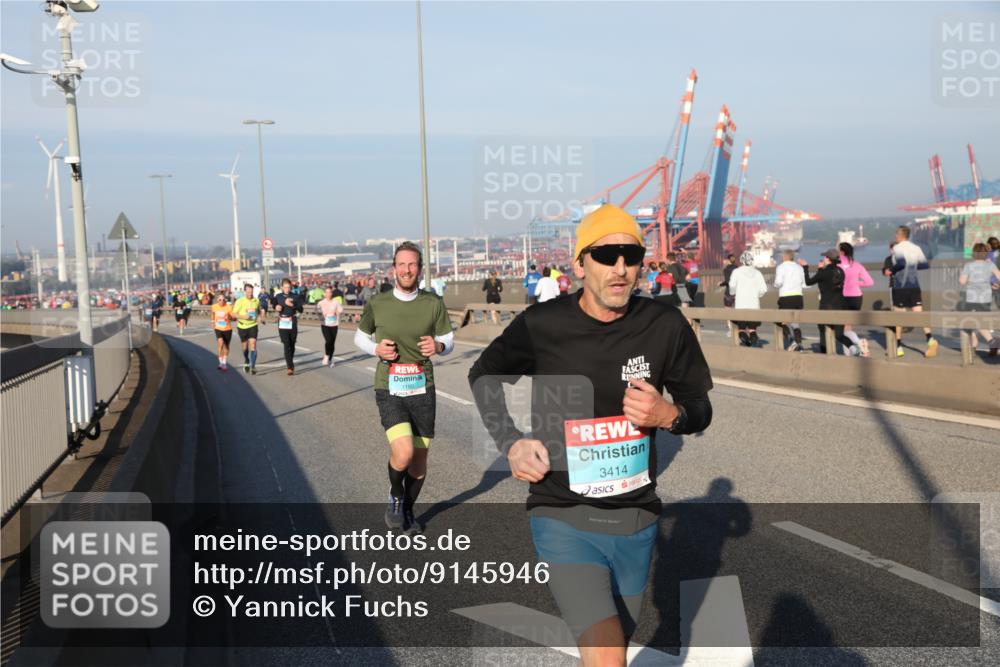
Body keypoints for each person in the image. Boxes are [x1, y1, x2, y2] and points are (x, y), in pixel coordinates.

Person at [468, 203, 713, 665]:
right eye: (605, 256)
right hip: (562, 512)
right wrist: (511, 442)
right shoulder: (543, 325)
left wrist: (670, 415)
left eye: (631, 256)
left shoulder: (664, 325)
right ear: (580, 264)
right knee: (607, 655)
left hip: (636, 514)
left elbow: (699, 408)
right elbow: (484, 375)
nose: (620, 269)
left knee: (615, 639)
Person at [354, 242, 454, 534]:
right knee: (404, 452)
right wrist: (376, 349)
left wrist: (438, 346)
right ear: (394, 268)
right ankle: (396, 496)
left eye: (412, 265)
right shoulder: (379, 303)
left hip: (423, 386)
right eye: (402, 264)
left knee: (419, 462)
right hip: (390, 386)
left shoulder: (433, 303)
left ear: (420, 269)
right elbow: (360, 337)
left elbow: (448, 340)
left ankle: (408, 510)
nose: (407, 270)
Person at [889, 225, 937, 358]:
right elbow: (925, 265)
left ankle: (899, 346)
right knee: (919, 315)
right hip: (914, 285)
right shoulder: (916, 248)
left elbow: (901, 263)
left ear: (900, 235)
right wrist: (912, 267)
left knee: (899, 317)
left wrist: (890, 271)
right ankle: (930, 339)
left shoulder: (897, 248)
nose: (895, 236)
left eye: (896, 234)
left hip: (900, 286)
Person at [801, 250, 856, 355]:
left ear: (828, 259)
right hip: (840, 305)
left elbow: (808, 282)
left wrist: (805, 267)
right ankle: (853, 348)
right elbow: (824, 285)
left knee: (823, 331)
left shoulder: (824, 272)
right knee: (839, 334)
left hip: (826, 306)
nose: (823, 259)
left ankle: (825, 354)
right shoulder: (840, 271)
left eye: (825, 257)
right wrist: (820, 270)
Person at [959, 242, 1000, 356]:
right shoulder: (990, 265)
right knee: (977, 322)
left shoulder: (969, 266)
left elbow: (962, 281)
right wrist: (994, 285)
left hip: (973, 299)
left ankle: (992, 341)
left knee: (974, 322)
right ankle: (974, 346)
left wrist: (971, 280)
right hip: (986, 298)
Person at [838, 242, 874, 357]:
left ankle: (856, 345)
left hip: (842, 297)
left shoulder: (837, 265)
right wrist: (856, 283)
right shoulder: (858, 265)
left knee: (842, 327)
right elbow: (870, 282)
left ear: (841, 252)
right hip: (856, 297)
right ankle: (851, 350)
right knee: (848, 325)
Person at [728, 251, 768, 346]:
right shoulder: (757, 273)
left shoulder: (736, 272)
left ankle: (747, 344)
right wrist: (757, 295)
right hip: (754, 306)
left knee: (741, 329)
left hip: (740, 306)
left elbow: (732, 286)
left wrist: (732, 293)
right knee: (752, 329)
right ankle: (754, 347)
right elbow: (764, 289)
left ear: (741, 261)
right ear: (751, 260)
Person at [773, 249, 806, 351]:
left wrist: (775, 285)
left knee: (781, 321)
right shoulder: (799, 268)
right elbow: (804, 283)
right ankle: (798, 344)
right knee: (795, 323)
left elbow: (778, 282)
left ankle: (792, 340)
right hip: (798, 297)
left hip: (786, 297)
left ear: (784, 257)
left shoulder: (781, 267)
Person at [272, 278, 304, 376]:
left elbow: (301, 309)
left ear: (291, 287)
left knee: (292, 344)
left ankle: (290, 361)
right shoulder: (278, 296)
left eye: (288, 287)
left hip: (292, 321)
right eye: (285, 287)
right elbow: (274, 304)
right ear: (282, 287)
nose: (287, 289)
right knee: (286, 344)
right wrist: (276, 307)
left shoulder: (295, 296)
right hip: (282, 321)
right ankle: (290, 367)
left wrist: (292, 305)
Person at [232, 283, 263, 374]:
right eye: (248, 292)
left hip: (253, 325)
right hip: (242, 326)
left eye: (251, 292)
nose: (250, 294)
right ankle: (246, 360)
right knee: (245, 347)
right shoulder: (240, 301)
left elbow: (258, 310)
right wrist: (243, 316)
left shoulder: (256, 300)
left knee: (253, 344)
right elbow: (233, 314)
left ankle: (253, 366)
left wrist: (259, 317)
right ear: (245, 291)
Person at [317, 285, 344, 367]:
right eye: (327, 292)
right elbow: (317, 310)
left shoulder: (335, 302)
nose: (328, 294)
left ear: (332, 293)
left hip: (334, 324)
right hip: (325, 324)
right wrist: (322, 315)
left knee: (332, 343)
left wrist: (338, 312)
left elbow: (341, 310)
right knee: (328, 340)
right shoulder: (321, 303)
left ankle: (330, 360)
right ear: (324, 294)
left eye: (330, 292)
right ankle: (326, 355)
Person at [211, 293, 233, 371]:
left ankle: (224, 362)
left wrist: (229, 317)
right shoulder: (214, 307)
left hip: (227, 329)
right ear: (217, 300)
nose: (222, 301)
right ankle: (221, 363)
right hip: (218, 328)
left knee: (226, 346)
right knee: (220, 343)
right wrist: (212, 321)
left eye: (223, 300)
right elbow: (213, 314)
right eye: (220, 300)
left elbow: (233, 318)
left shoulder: (229, 307)